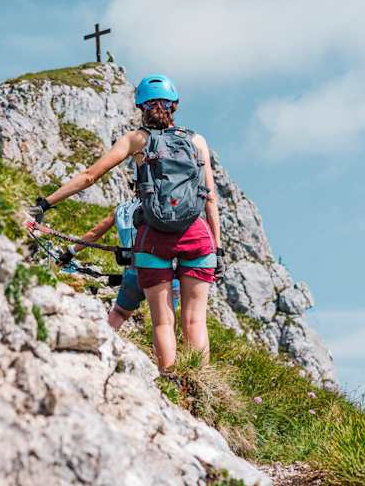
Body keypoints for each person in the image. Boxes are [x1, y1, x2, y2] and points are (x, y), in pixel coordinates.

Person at [28, 74, 224, 369]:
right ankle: (201, 389)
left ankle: (170, 380)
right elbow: (210, 199)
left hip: (153, 238)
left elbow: (89, 177)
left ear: (140, 107)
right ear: (175, 106)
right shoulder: (197, 141)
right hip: (197, 235)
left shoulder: (137, 140)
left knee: (162, 323)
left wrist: (44, 204)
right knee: (195, 320)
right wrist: (218, 249)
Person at [57, 197, 180, 330]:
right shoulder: (160, 203)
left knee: (119, 313)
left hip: (133, 272)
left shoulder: (120, 209)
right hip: (163, 273)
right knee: (164, 324)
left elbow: (93, 234)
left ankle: (104, 341)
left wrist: (70, 252)